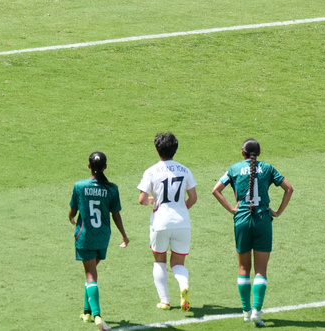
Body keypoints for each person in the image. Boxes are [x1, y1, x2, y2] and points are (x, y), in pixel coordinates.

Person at [212, 138, 293, 328]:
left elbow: (215, 190)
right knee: (261, 269)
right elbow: (289, 188)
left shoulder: (234, 168)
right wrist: (279, 211)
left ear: (242, 153)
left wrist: (233, 209)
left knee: (243, 269)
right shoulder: (268, 168)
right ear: (259, 153)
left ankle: (246, 312)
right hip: (263, 219)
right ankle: (257, 310)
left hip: (241, 219)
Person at [70, 151, 130, 331]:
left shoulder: (80, 186)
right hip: (103, 236)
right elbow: (116, 214)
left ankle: (97, 316)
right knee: (91, 273)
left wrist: (71, 218)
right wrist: (124, 235)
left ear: (89, 166)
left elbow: (72, 210)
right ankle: (86, 312)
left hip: (85, 236)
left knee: (91, 275)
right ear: (105, 167)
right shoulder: (112, 188)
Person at [137, 132, 198, 311]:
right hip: (182, 222)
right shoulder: (185, 170)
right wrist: (181, 209)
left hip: (160, 222)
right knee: (178, 263)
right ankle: (183, 286)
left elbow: (142, 199)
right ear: (175, 149)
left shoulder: (151, 171)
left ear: (157, 151)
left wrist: (152, 201)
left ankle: (165, 301)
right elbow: (193, 198)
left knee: (159, 261)